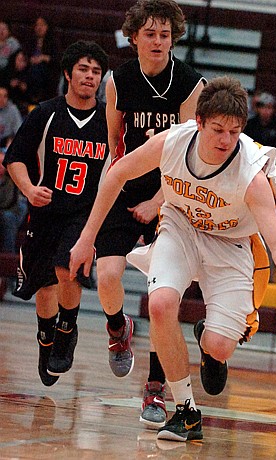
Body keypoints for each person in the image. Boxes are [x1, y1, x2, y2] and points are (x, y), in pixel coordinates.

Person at [69, 76, 276, 443]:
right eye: (217, 129)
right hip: (180, 226)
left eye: (234, 131)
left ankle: (210, 345)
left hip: (231, 245)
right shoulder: (172, 142)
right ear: (198, 122)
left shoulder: (251, 173)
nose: (225, 140)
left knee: (219, 344)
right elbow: (117, 173)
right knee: (162, 303)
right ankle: (185, 411)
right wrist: (87, 238)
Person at [94, 0, 205, 430]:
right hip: (127, 187)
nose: (158, 41)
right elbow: (113, 146)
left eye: (165, 34)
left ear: (173, 38)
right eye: (150, 33)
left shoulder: (192, 84)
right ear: (134, 37)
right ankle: (117, 327)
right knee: (106, 277)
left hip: (174, 193)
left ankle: (156, 387)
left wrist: (158, 200)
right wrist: (106, 196)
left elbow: (188, 156)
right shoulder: (117, 82)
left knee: (164, 299)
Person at [2, 40, 109, 387]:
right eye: (83, 69)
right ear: (67, 73)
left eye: (96, 72)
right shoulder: (46, 112)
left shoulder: (110, 121)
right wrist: (30, 190)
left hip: (84, 213)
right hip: (45, 210)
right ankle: (46, 338)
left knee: (68, 270)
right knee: (44, 288)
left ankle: (66, 331)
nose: (89, 76)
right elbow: (14, 158)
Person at [243, 91, 276, 177]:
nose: (266, 111)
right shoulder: (250, 125)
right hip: (252, 162)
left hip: (273, 163)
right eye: (263, 107)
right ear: (258, 109)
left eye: (269, 108)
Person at [0, 150, 27, 253]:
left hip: (12, 209)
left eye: (2, 163)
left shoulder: (12, 179)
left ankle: (8, 252)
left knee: (8, 218)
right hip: (5, 209)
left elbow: (10, 202)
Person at [25, 17, 57, 103]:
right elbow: (25, 55)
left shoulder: (53, 42)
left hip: (47, 71)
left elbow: (58, 59)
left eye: (42, 25)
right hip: (30, 69)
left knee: (38, 69)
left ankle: (37, 97)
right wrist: (30, 59)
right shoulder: (30, 41)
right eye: (37, 25)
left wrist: (44, 58)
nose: (39, 27)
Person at [0, 85, 23, 150]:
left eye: (5, 96)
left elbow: (19, 130)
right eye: (0, 96)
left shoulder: (13, 109)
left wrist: (12, 139)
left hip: (7, 143)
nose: (2, 99)